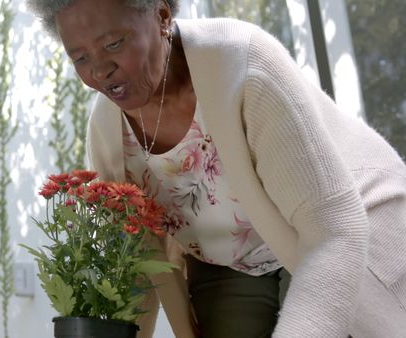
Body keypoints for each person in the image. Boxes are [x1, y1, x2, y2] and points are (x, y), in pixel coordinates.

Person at [26, 0, 406, 337]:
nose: (100, 70)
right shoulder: (107, 128)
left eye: (113, 44)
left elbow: (334, 231)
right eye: (80, 58)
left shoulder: (243, 64)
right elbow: (137, 262)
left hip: (343, 222)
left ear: (161, 15)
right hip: (229, 259)